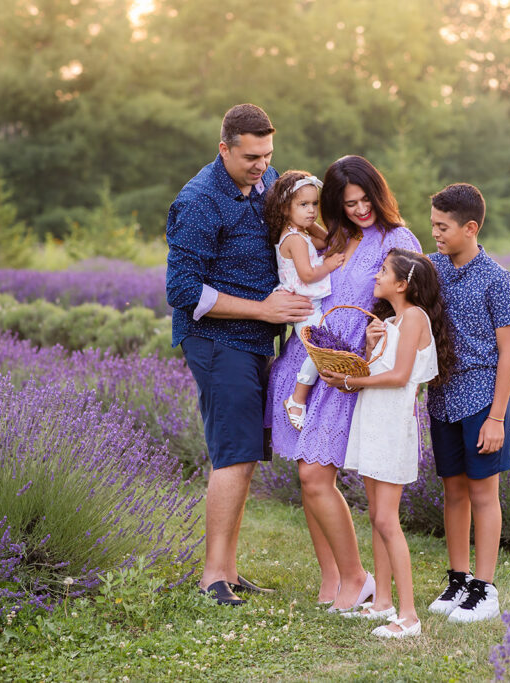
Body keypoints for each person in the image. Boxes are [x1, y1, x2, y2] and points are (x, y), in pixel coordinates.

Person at [165, 103, 313, 607]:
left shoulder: (265, 179)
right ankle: (212, 578)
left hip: (253, 338)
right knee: (233, 452)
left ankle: (228, 568)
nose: (261, 166)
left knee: (247, 451)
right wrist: (264, 310)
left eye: (268, 155)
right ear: (223, 148)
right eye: (251, 156)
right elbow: (183, 290)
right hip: (215, 339)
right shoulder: (201, 200)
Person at [266, 155, 421, 612]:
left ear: (379, 193)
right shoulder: (334, 234)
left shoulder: (397, 239)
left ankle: (358, 578)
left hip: (348, 367)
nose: (359, 210)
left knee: (316, 475)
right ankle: (332, 579)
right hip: (308, 358)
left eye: (365, 199)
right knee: (306, 474)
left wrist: (383, 331)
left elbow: (417, 302)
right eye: (348, 202)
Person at [319, 249, 456, 639]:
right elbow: (377, 368)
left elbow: (399, 378)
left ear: (403, 284)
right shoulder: (392, 321)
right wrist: (368, 344)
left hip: (393, 424)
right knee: (376, 515)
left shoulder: (414, 317)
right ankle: (382, 602)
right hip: (373, 420)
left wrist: (348, 382)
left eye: (383, 272)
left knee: (386, 519)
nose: (376, 277)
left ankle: (409, 616)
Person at [425, 183, 510, 623]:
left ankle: (485, 588)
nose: (436, 235)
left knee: (484, 493)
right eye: (432, 226)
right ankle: (458, 579)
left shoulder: (496, 278)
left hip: (483, 399)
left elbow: (509, 352)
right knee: (453, 491)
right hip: (442, 397)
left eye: (443, 228)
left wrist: (497, 417)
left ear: (470, 228)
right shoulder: (431, 269)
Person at [262, 170, 346, 430]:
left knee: (323, 346)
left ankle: (299, 397)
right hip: (304, 305)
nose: (311, 210)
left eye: (314, 204)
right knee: (321, 350)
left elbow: (325, 239)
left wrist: (306, 219)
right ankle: (297, 399)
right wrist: (330, 264)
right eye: (303, 205)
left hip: (310, 304)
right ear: (285, 208)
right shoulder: (295, 239)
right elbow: (308, 275)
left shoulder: (301, 232)